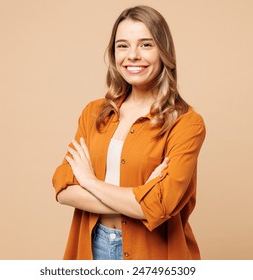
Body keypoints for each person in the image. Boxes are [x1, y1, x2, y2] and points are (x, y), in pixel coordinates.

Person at [52, 5, 206, 260]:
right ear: (113, 54)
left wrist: (90, 182)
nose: (132, 55)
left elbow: (160, 205)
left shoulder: (186, 124)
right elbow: (63, 187)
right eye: (122, 46)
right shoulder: (94, 113)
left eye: (146, 45)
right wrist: (141, 198)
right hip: (93, 247)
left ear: (163, 51)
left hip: (154, 255)